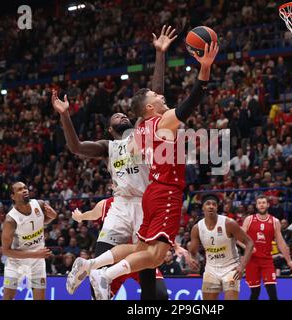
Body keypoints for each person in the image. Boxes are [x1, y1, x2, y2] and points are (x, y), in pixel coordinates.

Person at [71, 38, 219, 300]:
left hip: (150, 194)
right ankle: (104, 274)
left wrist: (160, 54)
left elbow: (139, 136)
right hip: (165, 192)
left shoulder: (139, 130)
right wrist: (205, 68)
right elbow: (193, 100)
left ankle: (91, 264)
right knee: (154, 256)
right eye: (156, 97)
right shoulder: (161, 122)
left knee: (139, 248)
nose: (161, 96)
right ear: (151, 108)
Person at [58, 26, 177, 300]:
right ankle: (89, 271)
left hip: (147, 203)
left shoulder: (141, 132)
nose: (122, 116)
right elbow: (75, 146)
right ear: (109, 129)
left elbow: (155, 96)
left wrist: (160, 54)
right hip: (121, 205)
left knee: (149, 275)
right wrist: (65, 115)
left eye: (125, 114)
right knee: (99, 276)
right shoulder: (108, 147)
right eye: (116, 116)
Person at [71, 197, 168, 299]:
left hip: (140, 260)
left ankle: (90, 264)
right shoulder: (109, 204)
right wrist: (80, 217)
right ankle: (92, 265)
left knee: (160, 294)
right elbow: (93, 214)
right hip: (117, 261)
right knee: (98, 296)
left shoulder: (149, 201)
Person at [188, 194, 254, 300]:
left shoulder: (229, 223)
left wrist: (242, 266)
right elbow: (192, 251)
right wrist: (191, 258)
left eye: (214, 204)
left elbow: (250, 243)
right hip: (211, 269)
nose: (211, 206)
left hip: (231, 268)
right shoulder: (197, 228)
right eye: (208, 204)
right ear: (203, 207)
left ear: (217, 207)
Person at [2, 182, 57, 300]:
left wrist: (53, 216)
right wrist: (35, 254)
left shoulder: (40, 204)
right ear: (12, 196)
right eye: (20, 189)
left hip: (37, 261)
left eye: (25, 188)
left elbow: (39, 222)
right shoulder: (10, 219)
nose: (25, 190)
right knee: (8, 297)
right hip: (17, 262)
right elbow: (6, 251)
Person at [242, 195, 292, 300]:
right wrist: (248, 247)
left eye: (263, 202)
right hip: (252, 260)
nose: (261, 205)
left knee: (272, 292)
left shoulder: (275, 221)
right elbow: (239, 238)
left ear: (268, 205)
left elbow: (281, 242)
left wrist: (289, 261)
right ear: (256, 205)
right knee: (255, 292)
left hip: (267, 260)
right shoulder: (249, 219)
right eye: (259, 203)